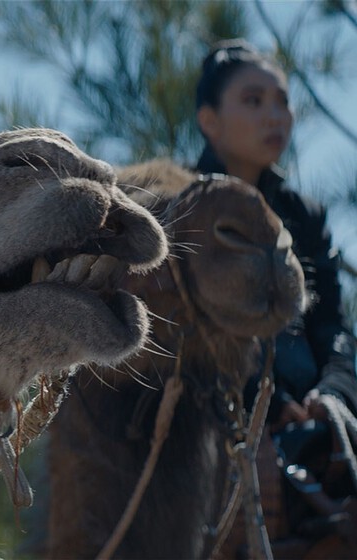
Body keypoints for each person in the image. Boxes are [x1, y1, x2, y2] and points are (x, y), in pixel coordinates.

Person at [194, 38, 357, 550]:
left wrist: (331, 394)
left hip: (320, 421)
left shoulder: (303, 214)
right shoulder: (183, 210)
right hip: (223, 425)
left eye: (283, 101)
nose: (276, 115)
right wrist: (271, 404)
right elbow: (189, 338)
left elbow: (333, 327)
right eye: (253, 100)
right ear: (209, 122)